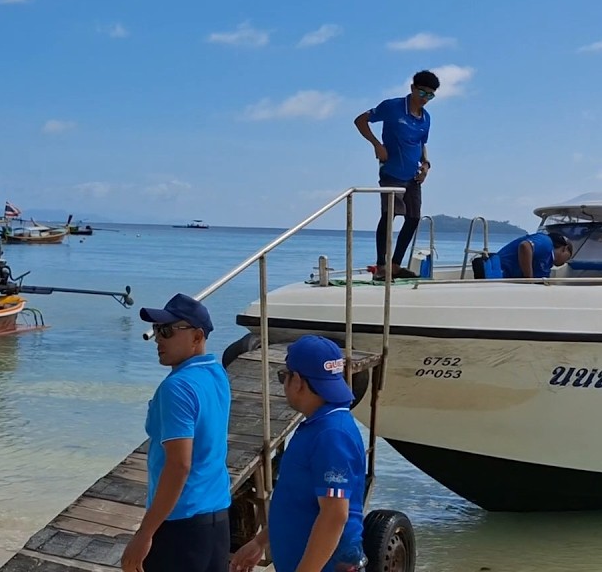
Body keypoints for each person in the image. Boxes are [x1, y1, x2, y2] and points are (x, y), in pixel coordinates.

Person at [231, 335, 367, 572]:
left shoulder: (331, 435)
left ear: (298, 382)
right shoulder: (317, 426)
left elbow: (335, 515)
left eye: (284, 376)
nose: (283, 383)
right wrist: (260, 541)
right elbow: (298, 501)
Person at [121, 293, 232, 572]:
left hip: (180, 526)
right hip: (217, 519)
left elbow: (179, 464)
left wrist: (145, 533)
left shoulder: (177, 387)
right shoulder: (217, 374)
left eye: (168, 331)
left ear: (196, 337)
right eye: (158, 330)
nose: (158, 338)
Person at [354, 69, 439, 280]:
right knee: (389, 216)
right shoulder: (392, 107)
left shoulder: (426, 118)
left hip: (413, 176)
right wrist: (377, 145)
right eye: (422, 93)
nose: (425, 99)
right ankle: (381, 266)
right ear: (412, 88)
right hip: (391, 172)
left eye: (430, 95)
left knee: (413, 218)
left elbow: (421, 143)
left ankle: (395, 265)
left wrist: (426, 165)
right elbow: (360, 121)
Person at [496, 231, 574, 279]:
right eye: (568, 257)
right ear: (565, 249)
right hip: (495, 273)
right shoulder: (546, 241)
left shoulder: (547, 264)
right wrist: (529, 278)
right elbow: (525, 246)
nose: (565, 262)